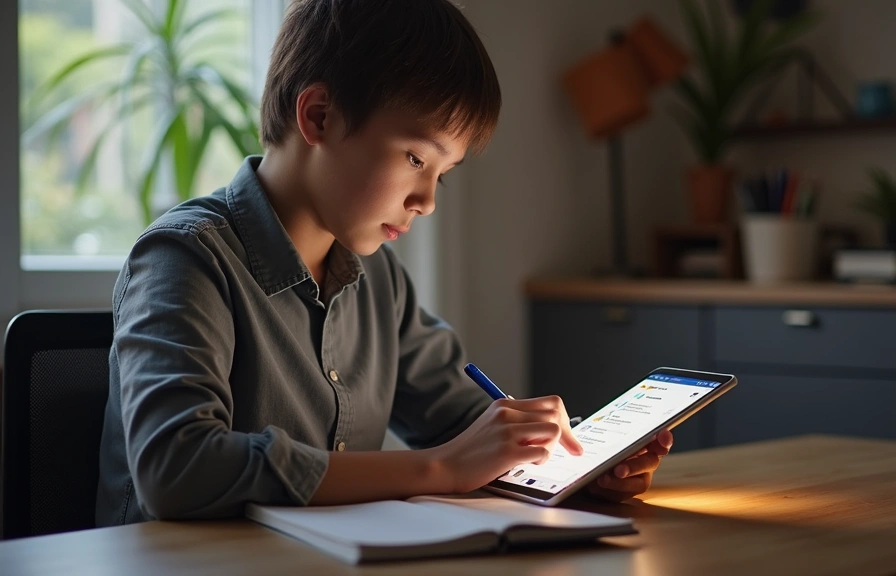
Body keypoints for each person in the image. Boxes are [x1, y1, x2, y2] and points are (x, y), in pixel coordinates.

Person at [95, 0, 673, 526]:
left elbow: (464, 426)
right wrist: (439, 469)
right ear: (319, 116)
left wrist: (574, 462)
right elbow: (177, 468)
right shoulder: (185, 257)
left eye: (442, 174)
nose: (428, 201)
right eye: (416, 159)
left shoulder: (379, 280)